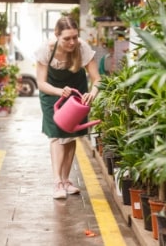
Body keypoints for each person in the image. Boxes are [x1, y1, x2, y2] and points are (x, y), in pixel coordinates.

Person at [35, 16, 102, 199]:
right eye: (66, 38)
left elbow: (97, 79)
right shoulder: (46, 50)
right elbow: (40, 83)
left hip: (76, 92)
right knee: (57, 134)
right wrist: (58, 91)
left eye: (74, 37)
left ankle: (66, 180)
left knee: (71, 134)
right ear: (57, 36)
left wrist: (92, 93)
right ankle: (57, 182)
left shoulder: (83, 48)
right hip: (52, 93)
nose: (72, 42)